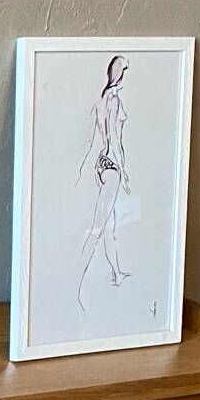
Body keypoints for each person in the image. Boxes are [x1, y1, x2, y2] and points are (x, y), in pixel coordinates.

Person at [75, 55, 131, 310]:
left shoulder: (101, 99)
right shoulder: (114, 100)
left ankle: (117, 273)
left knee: (108, 225)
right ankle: (76, 283)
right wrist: (125, 172)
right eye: (125, 70)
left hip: (102, 164)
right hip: (112, 166)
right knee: (99, 227)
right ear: (119, 74)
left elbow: (94, 137)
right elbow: (115, 139)